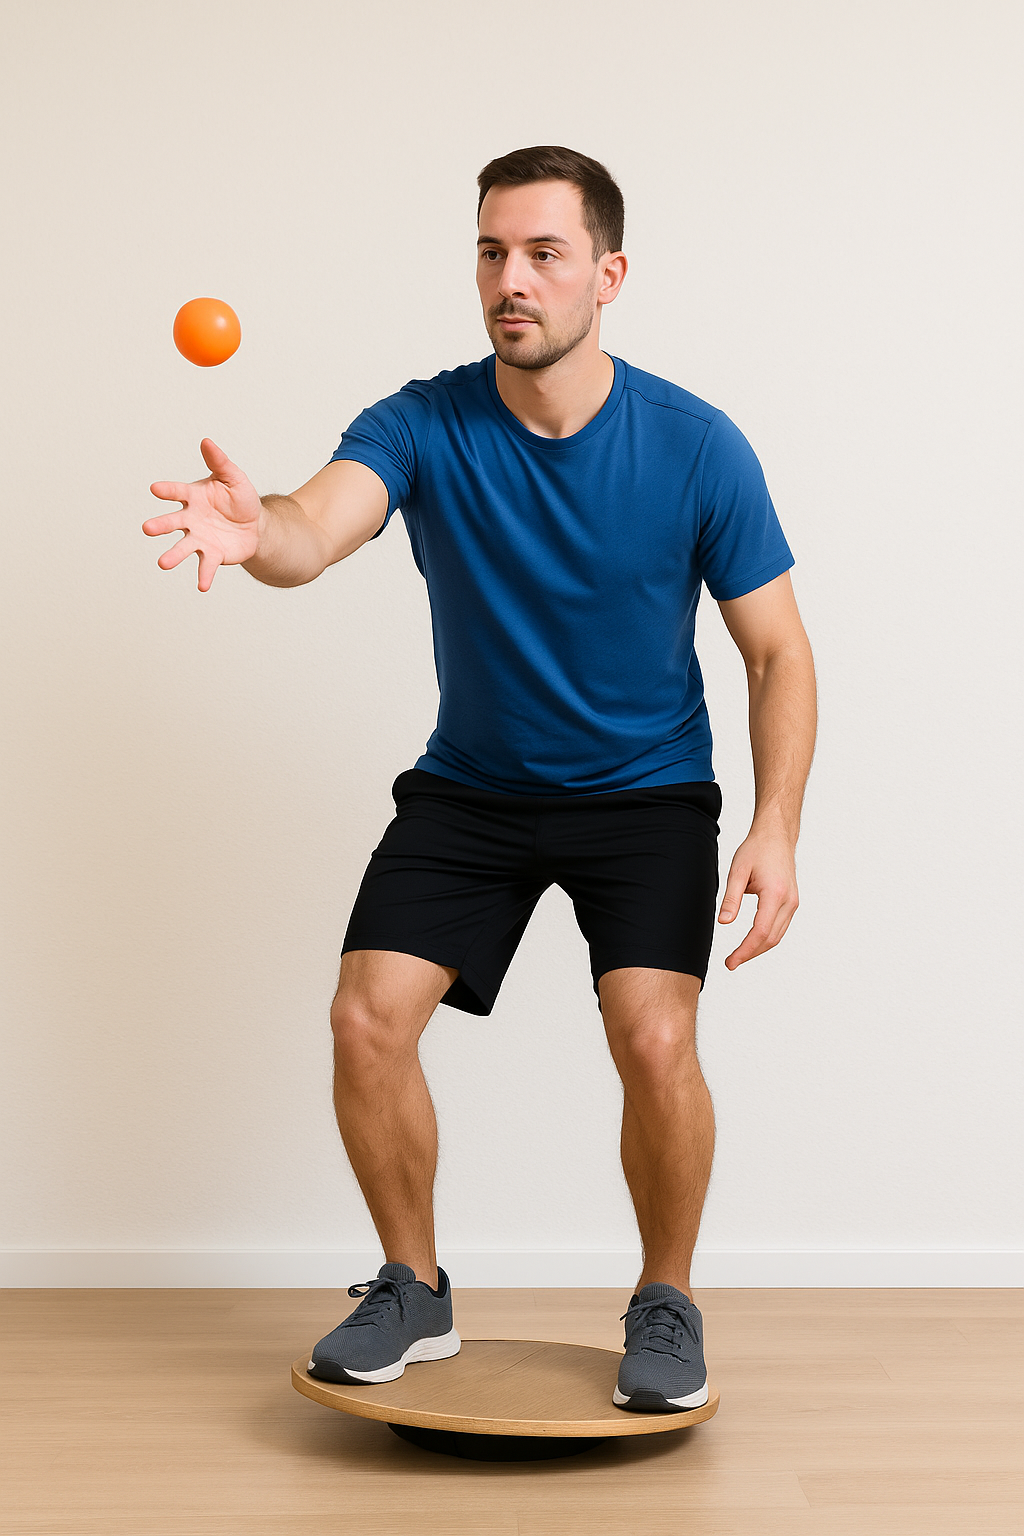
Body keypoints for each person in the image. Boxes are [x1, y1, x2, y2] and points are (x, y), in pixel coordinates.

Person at [144, 145, 817, 1414]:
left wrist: (774, 827)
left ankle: (664, 1298)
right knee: (364, 1017)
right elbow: (314, 526)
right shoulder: (422, 420)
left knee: (654, 1034)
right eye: (492, 251)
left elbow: (777, 653)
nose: (512, 280)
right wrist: (256, 533)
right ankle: (412, 1285)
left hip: (645, 792)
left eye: (544, 253)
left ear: (607, 276)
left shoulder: (695, 445)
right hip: (476, 789)